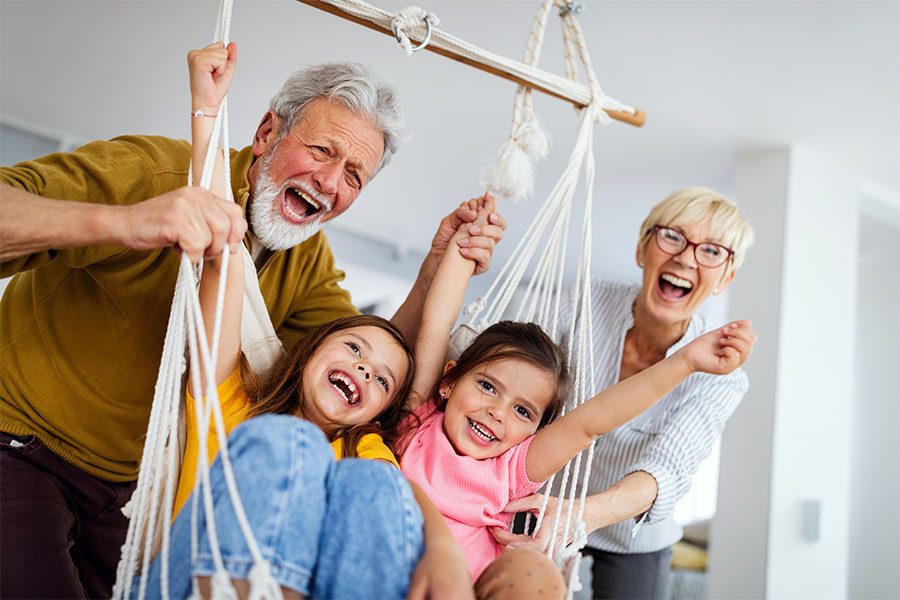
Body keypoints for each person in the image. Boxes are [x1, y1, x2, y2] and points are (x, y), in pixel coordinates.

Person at [0, 41, 504, 598]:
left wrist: (435, 268)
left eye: (355, 175)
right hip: (18, 444)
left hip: (128, 490)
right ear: (267, 133)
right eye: (322, 150)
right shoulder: (153, 172)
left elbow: (368, 351)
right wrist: (126, 223)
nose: (331, 182)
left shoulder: (305, 258)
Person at [134, 46, 472, 598]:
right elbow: (225, 248)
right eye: (354, 349)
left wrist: (441, 550)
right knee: (290, 442)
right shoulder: (232, 402)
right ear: (308, 349)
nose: (364, 372)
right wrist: (207, 113)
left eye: (382, 380)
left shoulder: (359, 449)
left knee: (374, 486)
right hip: (186, 580)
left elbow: (401, 488)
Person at [395, 196, 757, 589]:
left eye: (711, 251)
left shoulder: (513, 466)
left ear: (726, 277)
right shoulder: (422, 419)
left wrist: (685, 361)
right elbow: (484, 348)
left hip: (626, 533)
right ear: (642, 249)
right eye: (672, 237)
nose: (687, 259)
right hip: (537, 506)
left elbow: (610, 436)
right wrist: (463, 250)